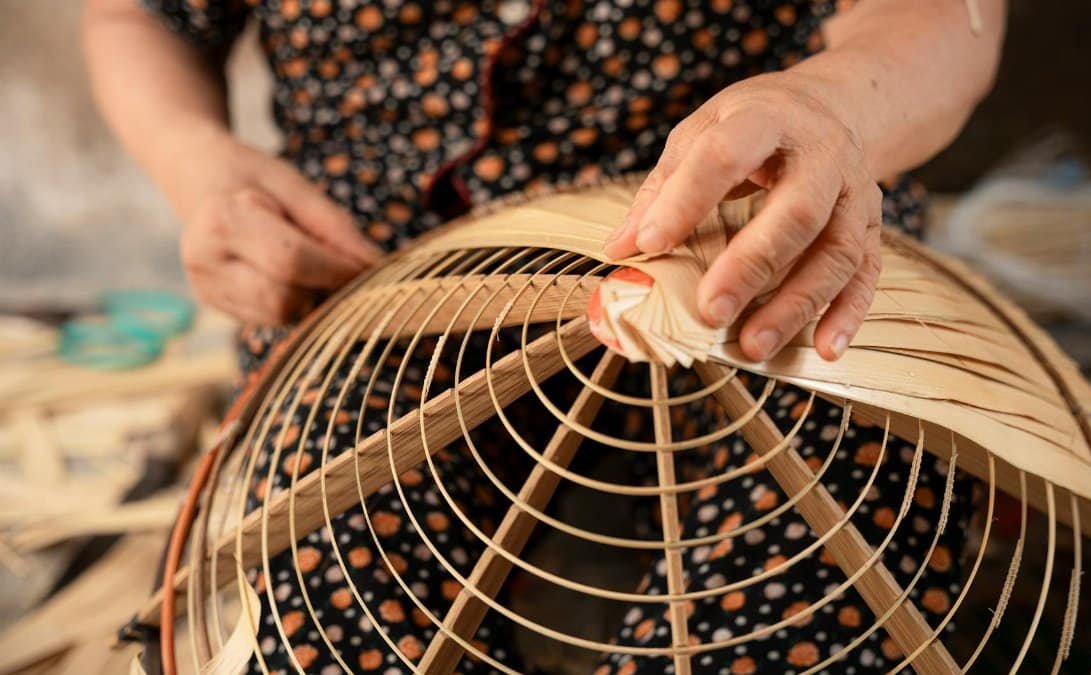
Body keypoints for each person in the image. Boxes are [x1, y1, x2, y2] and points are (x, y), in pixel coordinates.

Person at [84, 1, 1004, 673]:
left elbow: (949, 16)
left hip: (749, 261)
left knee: (814, 599)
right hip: (374, 288)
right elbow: (139, 15)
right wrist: (196, 163)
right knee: (317, 613)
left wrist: (837, 109)